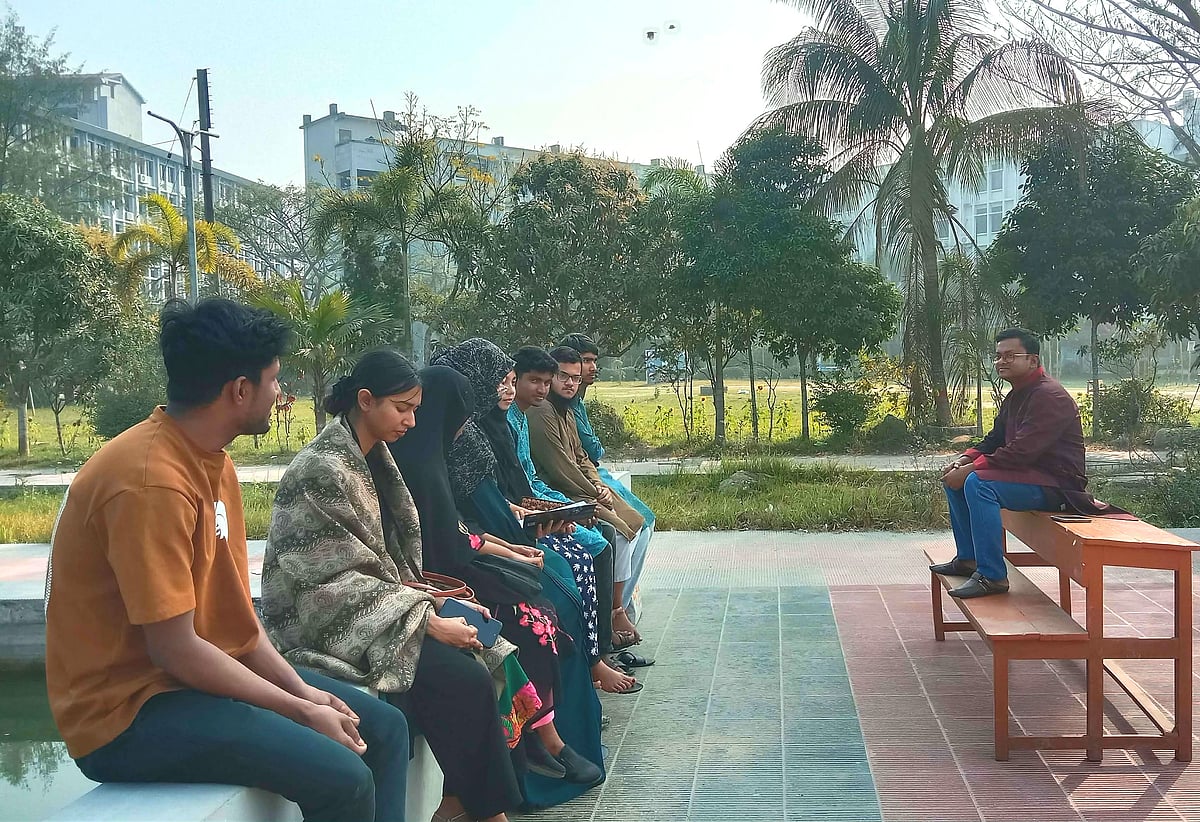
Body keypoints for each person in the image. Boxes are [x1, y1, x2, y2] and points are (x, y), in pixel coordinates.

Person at [44, 299, 410, 822]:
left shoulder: (213, 463)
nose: (280, 392)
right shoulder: (149, 482)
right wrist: (298, 709)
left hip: (191, 682)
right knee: (345, 778)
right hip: (129, 713)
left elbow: (238, 621)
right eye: (274, 380)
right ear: (240, 390)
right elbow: (175, 649)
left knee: (386, 729)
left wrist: (305, 692)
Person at [261, 350, 531, 822]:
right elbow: (326, 581)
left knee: (493, 649)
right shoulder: (321, 470)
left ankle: (461, 801)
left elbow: (386, 565)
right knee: (465, 676)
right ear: (366, 400)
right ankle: (489, 814)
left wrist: (432, 602)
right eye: (402, 408)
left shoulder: (373, 458)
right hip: (323, 620)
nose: (411, 421)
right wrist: (426, 619)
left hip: (379, 606)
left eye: (415, 409)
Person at [389, 365, 605, 790]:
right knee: (523, 625)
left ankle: (542, 739)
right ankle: (538, 744)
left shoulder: (432, 458)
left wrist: (511, 550)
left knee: (538, 614)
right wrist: (505, 552)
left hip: (449, 577)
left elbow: (459, 532)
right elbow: (447, 546)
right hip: (431, 586)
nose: (464, 426)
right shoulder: (415, 465)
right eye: (461, 415)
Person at [435, 339, 642, 695]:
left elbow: (497, 505)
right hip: (466, 572)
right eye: (503, 382)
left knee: (588, 556)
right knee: (555, 593)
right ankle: (584, 673)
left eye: (510, 382)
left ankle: (591, 664)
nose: (506, 390)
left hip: (497, 544)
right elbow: (457, 532)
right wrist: (517, 541)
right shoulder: (456, 443)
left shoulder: (491, 427)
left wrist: (523, 530)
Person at [930, 328, 1088, 599]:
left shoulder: (1050, 396)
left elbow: (1020, 453)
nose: (1002, 361)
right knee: (955, 480)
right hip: (1028, 476)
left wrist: (971, 469)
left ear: (1033, 360)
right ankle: (968, 559)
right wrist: (964, 460)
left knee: (978, 484)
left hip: (1058, 485)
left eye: (1010, 356)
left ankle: (992, 576)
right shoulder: (1018, 394)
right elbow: (995, 440)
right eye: (998, 356)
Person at [525, 346, 646, 648]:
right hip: (561, 493)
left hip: (583, 488)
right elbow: (559, 468)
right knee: (615, 534)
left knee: (636, 523)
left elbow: (582, 456)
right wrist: (595, 492)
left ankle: (615, 613)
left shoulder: (565, 409)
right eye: (562, 377)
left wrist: (598, 485)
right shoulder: (541, 412)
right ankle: (609, 624)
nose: (569, 383)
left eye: (575, 378)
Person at [558, 333, 656, 625]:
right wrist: (596, 488)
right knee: (632, 528)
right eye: (585, 361)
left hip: (592, 475)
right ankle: (617, 611)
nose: (591, 368)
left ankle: (621, 608)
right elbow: (589, 450)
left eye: (592, 361)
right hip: (583, 481)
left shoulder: (575, 403)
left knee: (643, 523)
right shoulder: (560, 406)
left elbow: (586, 452)